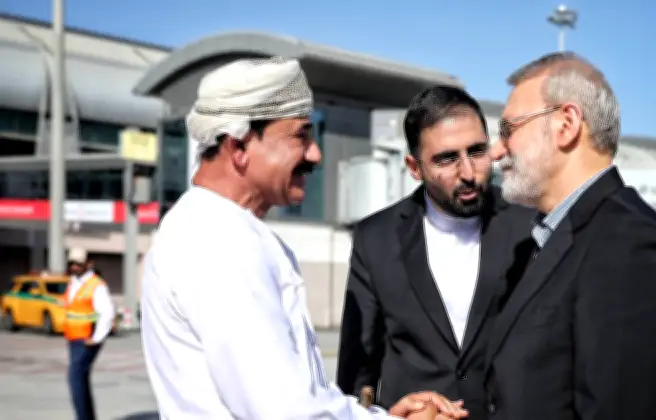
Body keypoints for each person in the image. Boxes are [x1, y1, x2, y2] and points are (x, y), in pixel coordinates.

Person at [139, 57, 468, 420]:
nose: (315, 154)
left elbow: (297, 396)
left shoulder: (214, 228)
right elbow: (286, 411)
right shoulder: (219, 242)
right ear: (239, 147)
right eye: (300, 135)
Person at [484, 51, 656, 419]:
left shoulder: (629, 244)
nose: (496, 151)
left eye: (509, 130)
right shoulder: (542, 241)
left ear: (566, 124)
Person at [336, 86, 536, 419]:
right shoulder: (376, 238)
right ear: (414, 167)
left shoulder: (530, 226)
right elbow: (358, 368)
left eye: (477, 151)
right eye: (447, 159)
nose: (468, 173)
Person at [64, 247, 115, 420]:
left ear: (88, 264)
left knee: (75, 378)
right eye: (72, 263)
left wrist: (97, 338)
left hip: (87, 339)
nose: (74, 267)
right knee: (80, 379)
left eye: (78, 264)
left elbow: (107, 313)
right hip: (73, 339)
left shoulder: (96, 285)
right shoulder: (73, 282)